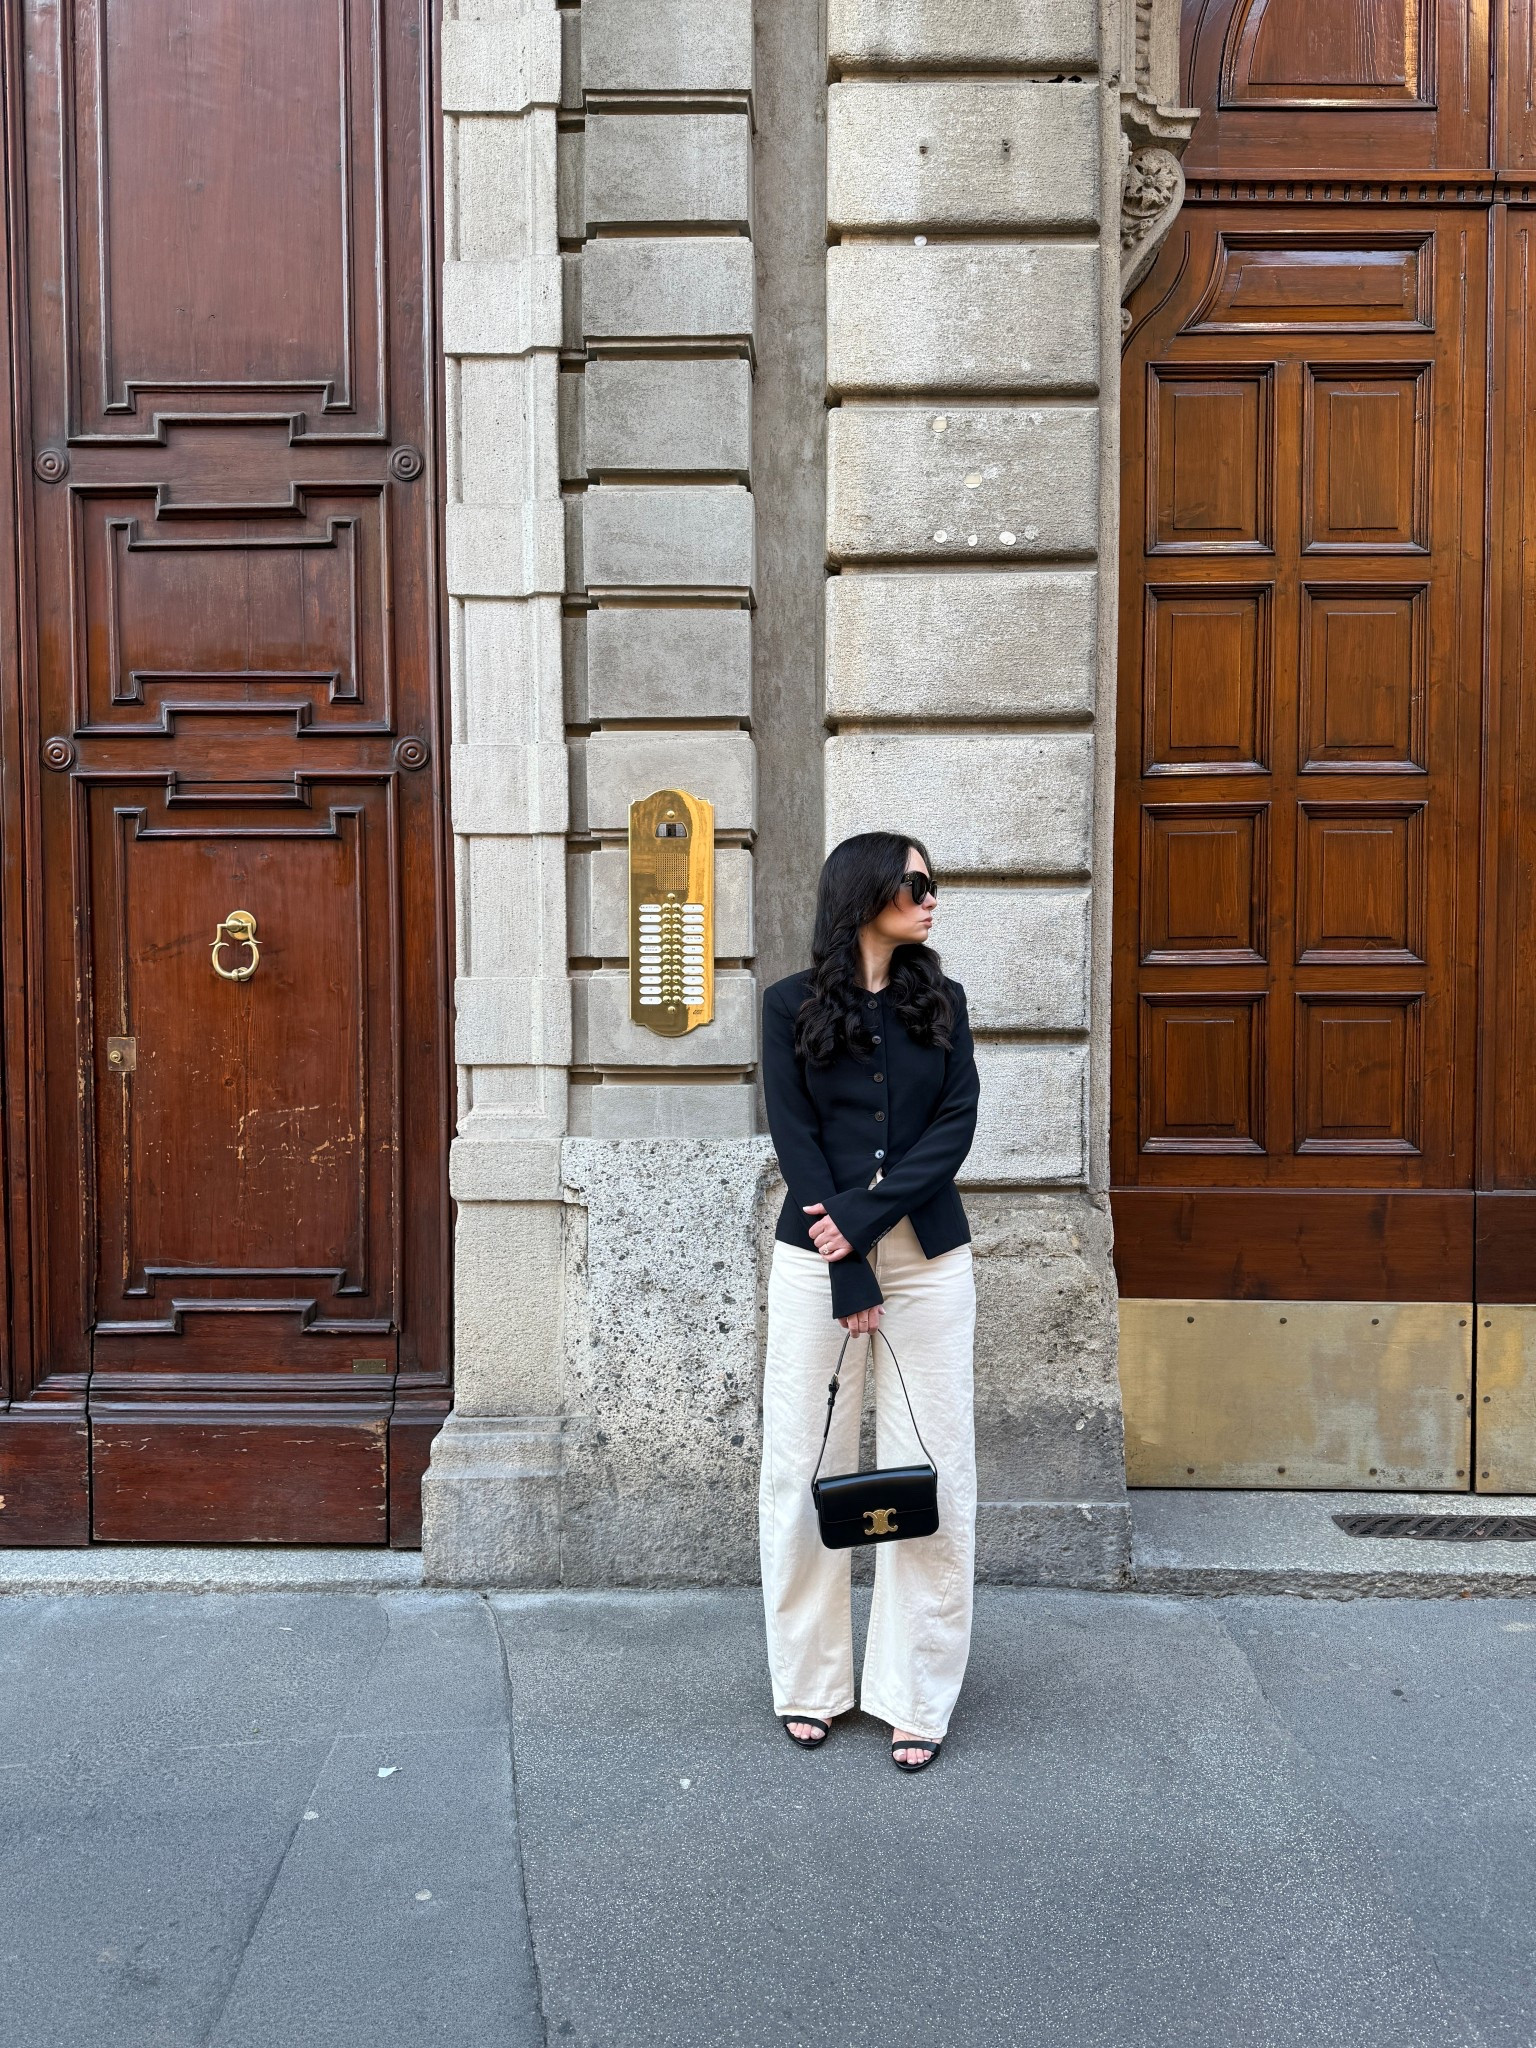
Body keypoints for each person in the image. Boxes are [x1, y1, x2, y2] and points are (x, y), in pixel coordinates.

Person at [758, 831, 980, 1772]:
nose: (930, 899)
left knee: (934, 1465)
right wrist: (847, 1260)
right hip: (817, 1259)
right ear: (866, 892)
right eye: (915, 883)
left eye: (932, 885)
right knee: (802, 1462)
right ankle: (809, 1683)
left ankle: (914, 1693)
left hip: (929, 1259)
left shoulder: (944, 1001)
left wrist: (868, 1218)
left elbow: (956, 1125)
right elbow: (795, 1135)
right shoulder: (787, 1005)